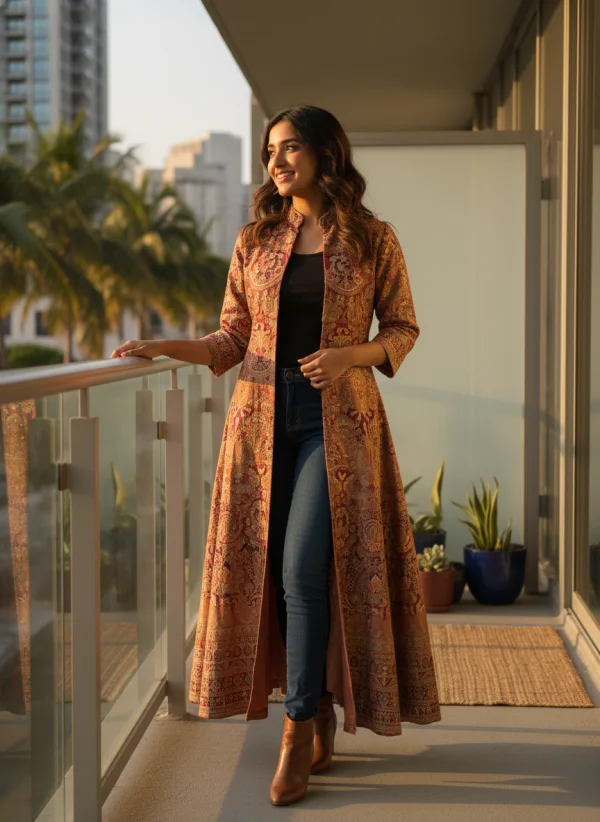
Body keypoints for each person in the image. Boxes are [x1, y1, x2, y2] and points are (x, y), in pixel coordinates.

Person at [111, 105, 441, 807]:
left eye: (289, 148)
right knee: (279, 571)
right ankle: (314, 704)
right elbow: (231, 339)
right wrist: (165, 345)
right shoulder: (255, 240)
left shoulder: (374, 238)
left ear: (326, 154)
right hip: (261, 424)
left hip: (339, 425)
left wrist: (355, 353)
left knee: (301, 568)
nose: (275, 162)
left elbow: (404, 326)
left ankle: (296, 732)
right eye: (269, 151)